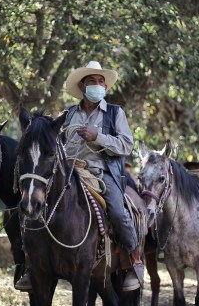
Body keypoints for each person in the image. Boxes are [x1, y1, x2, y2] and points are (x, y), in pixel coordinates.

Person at [15, 61, 144, 292]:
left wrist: (98, 137)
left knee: (117, 210)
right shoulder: (68, 115)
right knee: (32, 203)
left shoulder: (115, 113)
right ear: (82, 86)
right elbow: (55, 145)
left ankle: (134, 261)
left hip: (101, 173)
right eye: (92, 81)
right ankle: (31, 264)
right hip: (70, 171)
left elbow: (126, 145)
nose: (97, 85)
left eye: (100, 81)